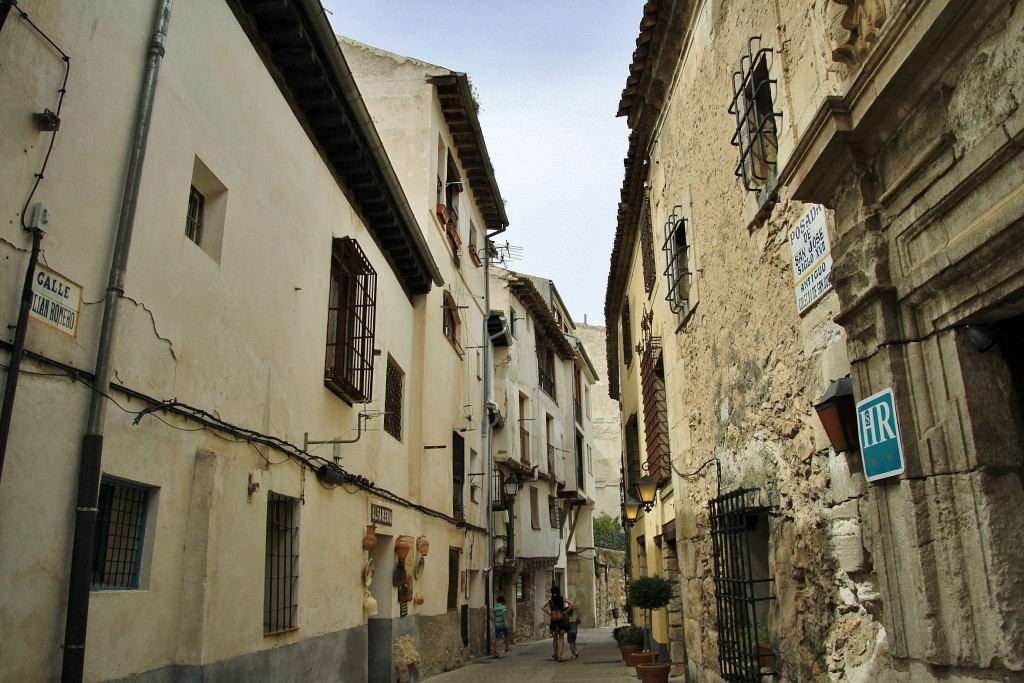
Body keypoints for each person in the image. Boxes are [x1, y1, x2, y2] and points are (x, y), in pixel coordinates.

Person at [541, 584, 573, 662]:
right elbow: (571, 604)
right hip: (561, 619)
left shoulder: (550, 599)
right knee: (561, 638)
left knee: (555, 638)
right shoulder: (562, 598)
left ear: (552, 592)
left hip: (553, 620)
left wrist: (549, 613)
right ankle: (559, 656)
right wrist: (565, 611)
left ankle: (556, 654)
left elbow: (542, 606)